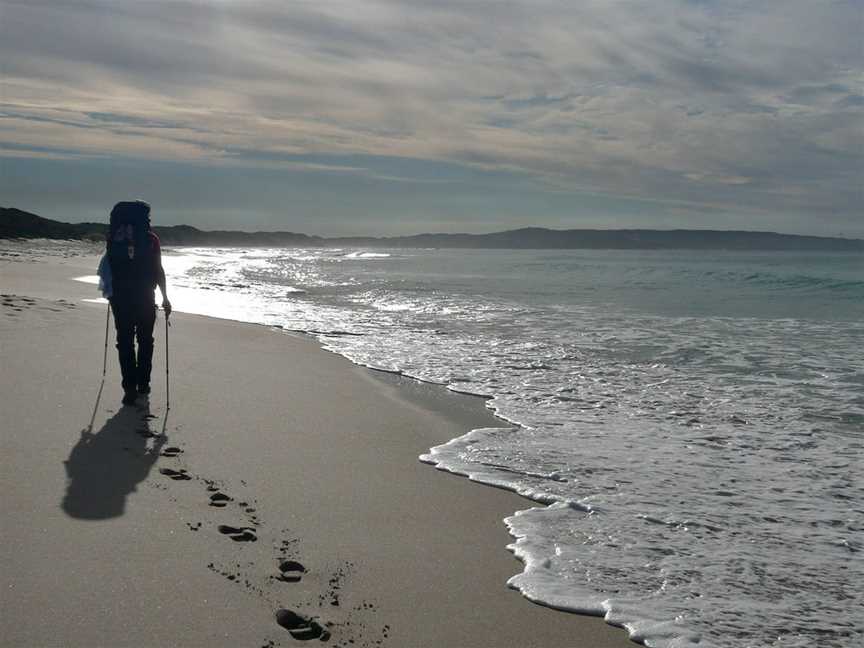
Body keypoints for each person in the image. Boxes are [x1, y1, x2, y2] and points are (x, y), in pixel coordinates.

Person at [104, 200, 171, 406]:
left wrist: (109, 291)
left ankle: (129, 388)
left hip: (120, 297)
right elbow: (158, 270)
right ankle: (143, 383)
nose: (149, 220)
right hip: (144, 296)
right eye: (147, 217)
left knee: (124, 341)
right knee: (145, 340)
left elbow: (109, 268)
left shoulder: (114, 237)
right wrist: (165, 297)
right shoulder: (151, 240)